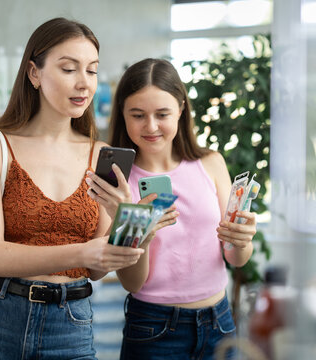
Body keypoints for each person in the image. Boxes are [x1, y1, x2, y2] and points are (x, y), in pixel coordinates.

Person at [0, 18, 144, 360]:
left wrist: (124, 214)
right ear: (34, 73)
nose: (83, 84)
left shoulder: (100, 154)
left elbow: (97, 268)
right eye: (68, 69)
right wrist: (80, 253)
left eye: (91, 71)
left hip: (71, 322)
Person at [85, 58, 257, 359]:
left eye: (162, 114)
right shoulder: (117, 182)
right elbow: (131, 282)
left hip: (220, 322)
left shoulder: (211, 163)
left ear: (180, 108)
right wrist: (140, 231)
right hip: (153, 328)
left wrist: (243, 240)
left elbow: (235, 258)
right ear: (122, 114)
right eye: (137, 115)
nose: (151, 127)